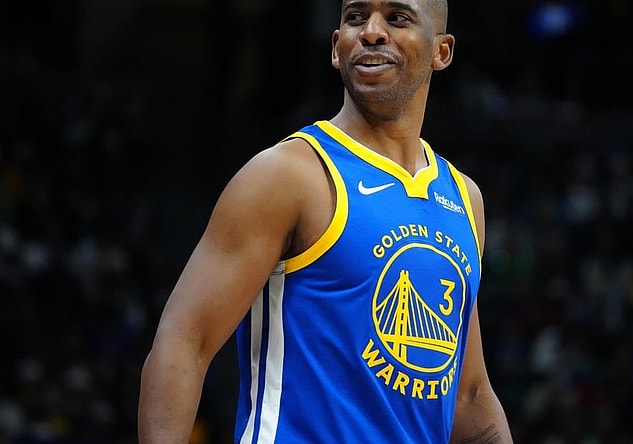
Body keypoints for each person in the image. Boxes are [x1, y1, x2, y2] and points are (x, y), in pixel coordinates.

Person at [138, 0, 513, 442]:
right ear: (337, 48)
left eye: (397, 17)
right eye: (356, 18)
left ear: (441, 52)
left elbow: (468, 394)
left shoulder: (464, 199)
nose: (372, 31)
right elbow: (185, 339)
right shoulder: (288, 174)